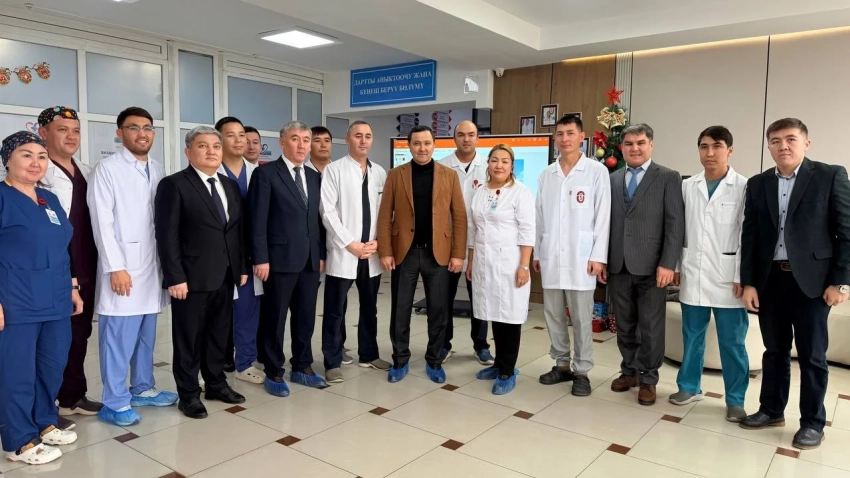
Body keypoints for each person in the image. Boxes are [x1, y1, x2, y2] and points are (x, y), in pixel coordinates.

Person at [739, 118, 850, 450]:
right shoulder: (758, 184)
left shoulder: (830, 175)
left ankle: (813, 422)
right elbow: (751, 236)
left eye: (790, 139)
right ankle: (771, 410)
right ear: (769, 146)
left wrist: (841, 283)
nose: (783, 146)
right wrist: (749, 283)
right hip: (770, 280)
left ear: (806, 143)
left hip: (813, 283)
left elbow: (846, 232)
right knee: (774, 351)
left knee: (813, 355)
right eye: (775, 141)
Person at [88, 107, 177, 427]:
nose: (142, 133)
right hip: (123, 266)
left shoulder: (157, 168)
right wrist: (115, 267)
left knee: (145, 335)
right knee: (117, 337)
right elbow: (101, 221)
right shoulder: (107, 169)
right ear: (120, 133)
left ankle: (142, 387)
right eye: (134, 127)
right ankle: (114, 401)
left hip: (151, 266)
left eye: (148, 128)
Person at [0, 131, 83, 465]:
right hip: (17, 301)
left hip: (56, 298)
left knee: (51, 366)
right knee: (17, 373)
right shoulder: (2, 198)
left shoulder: (48, 199)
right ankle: (18, 440)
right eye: (26, 155)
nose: (36, 163)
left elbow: (63, 247)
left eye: (42, 156)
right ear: (7, 160)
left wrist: (73, 288)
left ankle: (44, 422)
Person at [155, 126, 249, 419]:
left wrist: (241, 266)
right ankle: (188, 394)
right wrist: (175, 276)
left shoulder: (228, 185)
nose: (211, 151)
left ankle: (216, 383)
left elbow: (236, 231)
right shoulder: (174, 185)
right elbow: (166, 235)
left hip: (225, 273)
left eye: (216, 146)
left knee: (219, 334)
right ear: (188, 152)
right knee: (189, 339)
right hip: (191, 277)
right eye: (203, 146)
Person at [669, 126, 749, 422]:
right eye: (704, 147)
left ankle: (735, 399)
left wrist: (742, 275)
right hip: (694, 273)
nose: (710, 153)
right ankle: (689, 387)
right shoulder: (687, 186)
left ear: (730, 150)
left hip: (730, 278)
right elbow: (678, 230)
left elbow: (747, 235)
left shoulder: (744, 187)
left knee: (732, 342)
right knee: (692, 336)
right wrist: (677, 267)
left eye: (717, 146)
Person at [601, 123, 684, 406]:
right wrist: (603, 259)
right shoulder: (612, 179)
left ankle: (649, 378)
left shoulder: (668, 177)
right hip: (619, 264)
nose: (634, 148)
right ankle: (629, 371)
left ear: (651, 145)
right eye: (629, 144)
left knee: (650, 326)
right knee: (624, 324)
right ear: (622, 147)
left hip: (653, 267)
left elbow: (675, 224)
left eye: (640, 143)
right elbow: (604, 223)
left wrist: (668, 264)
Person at [377, 125, 467, 384]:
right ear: (409, 146)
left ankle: (435, 360)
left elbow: (459, 217)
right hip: (404, 253)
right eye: (417, 143)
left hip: (437, 254)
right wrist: (386, 251)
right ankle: (400, 359)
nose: (422, 148)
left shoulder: (449, 176)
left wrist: (458, 254)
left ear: (434, 145)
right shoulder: (396, 175)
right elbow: (385, 215)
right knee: (400, 309)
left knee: (438, 310)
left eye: (427, 143)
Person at [250, 120, 328, 396]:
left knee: (305, 316)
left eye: (306, 140)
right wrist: (260, 258)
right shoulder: (266, 174)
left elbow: (318, 221)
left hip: (309, 260)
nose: (301, 145)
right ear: (282, 142)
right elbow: (257, 220)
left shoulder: (314, 177)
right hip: (278, 260)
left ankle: (302, 365)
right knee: (275, 317)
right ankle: (273, 370)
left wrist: (321, 254)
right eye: (295, 139)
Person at [534, 115, 611, 397]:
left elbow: (603, 216)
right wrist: (538, 251)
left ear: (581, 137)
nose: (564, 139)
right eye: (559, 134)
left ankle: (582, 371)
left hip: (582, 258)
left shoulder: (596, 171)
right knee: (553, 314)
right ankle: (562, 364)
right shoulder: (547, 174)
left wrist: (598, 256)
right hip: (552, 255)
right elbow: (539, 216)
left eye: (570, 133)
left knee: (581, 317)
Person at [37, 107, 103, 424]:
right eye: (62, 129)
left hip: (87, 267)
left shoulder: (87, 171)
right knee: (52, 340)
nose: (71, 136)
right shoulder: (37, 173)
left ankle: (72, 395)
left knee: (79, 335)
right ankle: (44, 405)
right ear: (43, 133)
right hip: (54, 270)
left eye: (75, 130)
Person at [320, 121, 390, 383]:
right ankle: (332, 361)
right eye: (358, 136)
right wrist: (350, 243)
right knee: (335, 310)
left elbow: (386, 212)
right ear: (347, 139)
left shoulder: (380, 172)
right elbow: (327, 211)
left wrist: (378, 242)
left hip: (371, 252)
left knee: (370, 307)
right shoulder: (334, 170)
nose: (363, 140)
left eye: (367, 136)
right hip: (345, 251)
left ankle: (368, 354)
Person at [467, 144, 535, 395]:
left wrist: (524, 266)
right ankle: (497, 364)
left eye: (505, 161)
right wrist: (471, 261)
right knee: (494, 313)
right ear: (488, 164)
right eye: (494, 160)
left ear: (512, 166)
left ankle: (507, 370)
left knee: (510, 316)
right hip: (484, 263)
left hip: (510, 264)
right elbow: (473, 230)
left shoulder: (520, 192)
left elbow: (528, 231)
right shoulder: (480, 191)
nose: (499, 165)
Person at [213, 117, 265, 384]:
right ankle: (215, 364)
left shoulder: (258, 173)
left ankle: (245, 362)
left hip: (249, 254)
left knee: (247, 310)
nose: (238, 140)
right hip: (218, 256)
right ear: (219, 139)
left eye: (241, 135)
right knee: (217, 314)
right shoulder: (211, 173)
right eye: (230, 135)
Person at [438, 120, 493, 365]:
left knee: (479, 297)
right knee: (444, 298)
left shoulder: (488, 167)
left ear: (477, 138)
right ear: (454, 138)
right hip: (447, 243)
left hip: (479, 244)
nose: (466, 139)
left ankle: (481, 346)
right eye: (461, 135)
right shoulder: (441, 166)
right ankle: (443, 344)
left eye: (471, 134)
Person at [308, 125, 353, 365]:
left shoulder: (341, 170)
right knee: (305, 304)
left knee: (338, 303)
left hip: (340, 246)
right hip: (311, 248)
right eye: (317, 140)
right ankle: (303, 353)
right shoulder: (302, 173)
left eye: (327, 140)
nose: (323, 145)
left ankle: (338, 346)